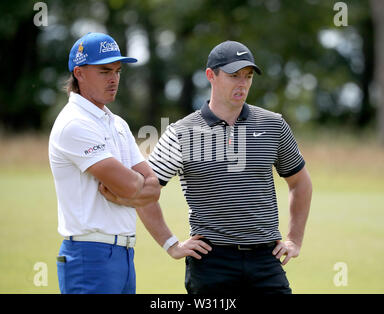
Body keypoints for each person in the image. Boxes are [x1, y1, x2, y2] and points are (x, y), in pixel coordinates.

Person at [100, 40, 312, 294]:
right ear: (211, 75)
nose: (242, 84)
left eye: (248, 76)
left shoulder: (273, 125)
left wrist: (295, 239)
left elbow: (300, 182)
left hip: (266, 259)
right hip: (212, 263)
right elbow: (144, 191)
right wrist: (170, 244)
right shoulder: (181, 132)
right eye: (234, 76)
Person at [48, 32, 164, 294]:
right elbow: (131, 184)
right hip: (89, 255)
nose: (114, 79)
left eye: (117, 71)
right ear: (79, 73)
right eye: (104, 71)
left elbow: (153, 188)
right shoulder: (74, 123)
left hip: (123, 254)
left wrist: (126, 196)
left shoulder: (117, 123)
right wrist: (134, 189)